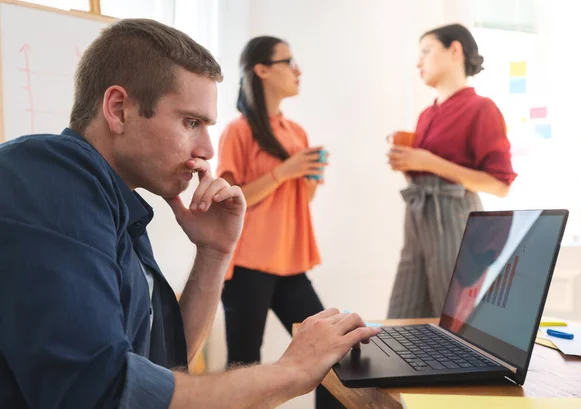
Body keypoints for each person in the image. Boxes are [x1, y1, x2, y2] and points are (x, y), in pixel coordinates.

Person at [0, 19, 380, 409]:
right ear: (118, 110)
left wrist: (214, 253)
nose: (207, 150)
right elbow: (104, 392)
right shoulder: (49, 175)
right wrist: (292, 372)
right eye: (191, 122)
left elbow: (164, 363)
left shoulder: (117, 204)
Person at [216, 36, 340, 408]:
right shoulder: (238, 131)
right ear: (262, 70)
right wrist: (285, 172)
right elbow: (230, 201)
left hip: (290, 263)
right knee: (244, 367)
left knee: (331, 357)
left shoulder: (296, 131)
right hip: (248, 265)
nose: (297, 69)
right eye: (289, 61)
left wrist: (310, 178)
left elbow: (302, 201)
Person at [386, 23, 517, 319]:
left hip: (456, 222)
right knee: (402, 317)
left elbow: (500, 184)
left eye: (426, 51)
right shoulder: (426, 115)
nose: (419, 62)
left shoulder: (482, 108)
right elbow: (429, 171)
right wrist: (410, 165)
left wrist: (427, 162)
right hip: (418, 220)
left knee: (454, 322)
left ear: (454, 50)